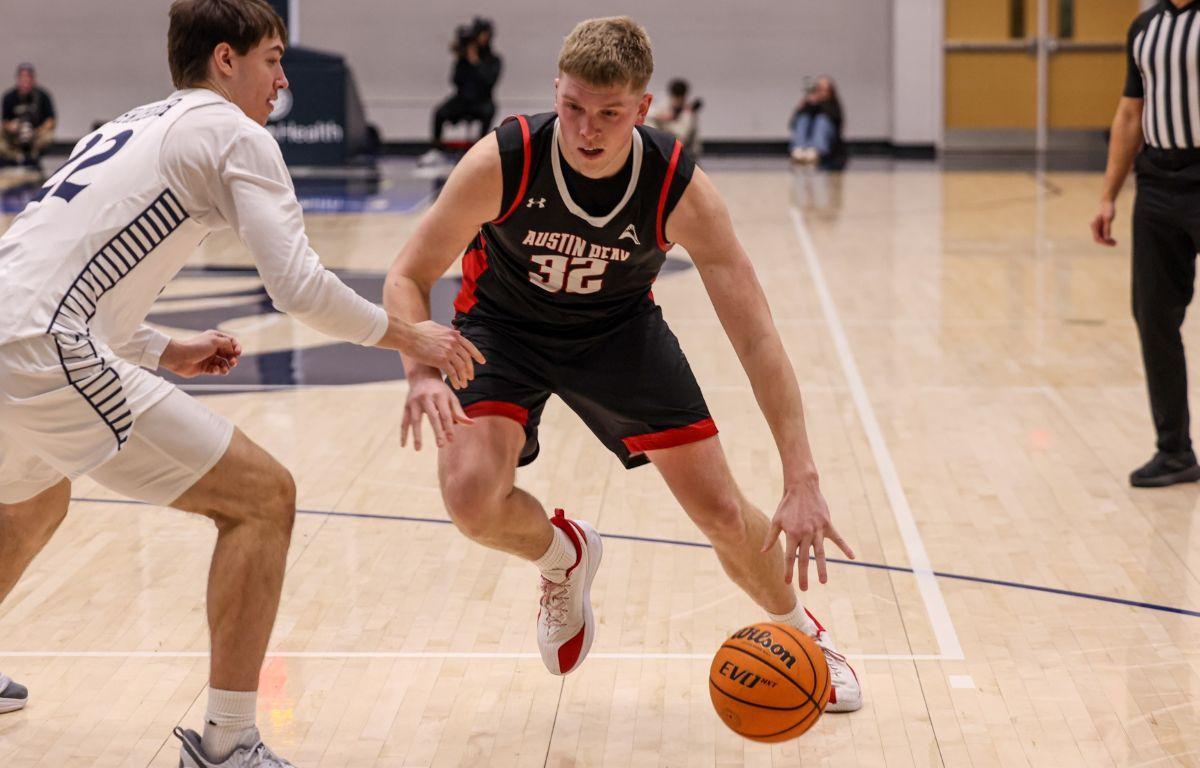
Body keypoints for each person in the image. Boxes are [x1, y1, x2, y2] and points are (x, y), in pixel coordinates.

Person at [0, 0, 481, 765]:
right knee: (263, 498)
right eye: (272, 59)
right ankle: (228, 744)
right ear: (225, 59)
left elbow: (60, 278)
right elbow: (297, 286)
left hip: (13, 330)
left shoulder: (127, 125)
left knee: (33, 497)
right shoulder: (234, 133)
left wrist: (164, 347)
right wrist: (409, 334)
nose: (283, 80)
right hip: (43, 349)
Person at [385, 16, 863, 712]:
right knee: (469, 499)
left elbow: (757, 338)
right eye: (573, 107)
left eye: (609, 114)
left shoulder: (676, 186)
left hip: (616, 333)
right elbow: (407, 273)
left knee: (723, 511)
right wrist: (421, 370)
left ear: (643, 110)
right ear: (556, 91)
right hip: (502, 328)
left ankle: (803, 638)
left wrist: (802, 474)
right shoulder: (506, 160)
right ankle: (562, 556)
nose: (587, 129)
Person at [1092, 0, 1200, 488]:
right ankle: (1174, 451)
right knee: (1153, 315)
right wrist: (1108, 195)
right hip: (1157, 186)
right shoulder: (1145, 27)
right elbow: (1130, 114)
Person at [418, 17, 503, 167]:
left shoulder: (494, 60)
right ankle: (436, 151)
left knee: (489, 111)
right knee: (440, 112)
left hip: (482, 100)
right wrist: (461, 59)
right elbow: (455, 80)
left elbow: (489, 82)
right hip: (462, 99)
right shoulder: (463, 58)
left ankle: (479, 151)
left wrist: (475, 62)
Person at [1, 63, 56, 169]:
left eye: (28, 77)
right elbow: (5, 121)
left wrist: (38, 131)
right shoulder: (9, 97)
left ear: (33, 79)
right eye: (23, 77)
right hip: (14, 136)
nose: (25, 81)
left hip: (36, 135)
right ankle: (15, 159)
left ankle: (32, 158)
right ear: (18, 78)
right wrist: (13, 127)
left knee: (47, 137)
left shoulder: (42, 96)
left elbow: (51, 120)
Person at [789, 76, 846, 170]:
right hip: (806, 141)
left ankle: (816, 150)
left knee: (821, 120)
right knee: (803, 118)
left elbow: (836, 123)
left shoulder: (833, 104)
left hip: (826, 142)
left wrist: (821, 103)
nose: (821, 92)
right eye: (819, 89)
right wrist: (805, 105)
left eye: (824, 90)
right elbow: (793, 124)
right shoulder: (808, 103)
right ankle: (798, 149)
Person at [648, 77, 701, 155]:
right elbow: (647, 114)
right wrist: (661, 117)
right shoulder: (664, 104)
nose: (677, 101)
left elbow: (682, 136)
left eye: (680, 99)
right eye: (675, 98)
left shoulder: (688, 113)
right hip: (662, 146)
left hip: (683, 151)